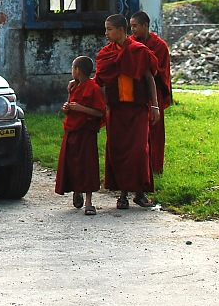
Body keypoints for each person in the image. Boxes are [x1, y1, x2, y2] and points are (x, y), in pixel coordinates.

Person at [95, 14, 160, 209]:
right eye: (106, 29)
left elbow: (149, 78)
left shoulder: (139, 51)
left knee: (139, 151)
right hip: (116, 109)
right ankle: (122, 195)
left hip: (137, 109)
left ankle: (139, 193)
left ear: (121, 30)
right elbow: (99, 80)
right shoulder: (106, 54)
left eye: (109, 29)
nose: (106, 33)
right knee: (117, 151)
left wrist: (155, 105)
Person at [55, 56, 106, 215]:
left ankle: (89, 201)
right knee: (71, 163)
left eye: (72, 69)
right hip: (71, 130)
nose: (72, 72)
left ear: (77, 70)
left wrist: (81, 109)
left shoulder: (93, 88)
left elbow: (100, 112)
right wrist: (67, 108)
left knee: (87, 165)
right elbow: (71, 106)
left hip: (86, 131)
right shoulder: (73, 86)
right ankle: (76, 190)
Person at [130, 11, 172, 174]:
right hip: (134, 93)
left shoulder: (159, 46)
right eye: (131, 26)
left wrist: (146, 66)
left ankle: (155, 167)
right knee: (136, 131)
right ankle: (137, 167)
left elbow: (161, 71)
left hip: (155, 94)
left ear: (145, 26)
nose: (132, 30)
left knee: (155, 131)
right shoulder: (130, 43)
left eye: (135, 26)